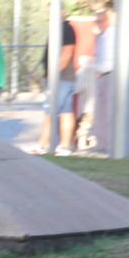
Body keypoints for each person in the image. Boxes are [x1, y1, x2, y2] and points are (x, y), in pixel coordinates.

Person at [31, 19, 77, 156]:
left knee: (50, 110)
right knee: (65, 111)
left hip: (61, 78)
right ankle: (64, 146)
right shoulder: (61, 28)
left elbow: (68, 51)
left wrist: (54, 74)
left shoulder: (65, 28)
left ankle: (43, 145)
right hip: (64, 78)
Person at [91, 9, 115, 154]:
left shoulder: (113, 35)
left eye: (100, 21)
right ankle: (101, 142)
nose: (98, 24)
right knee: (99, 110)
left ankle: (110, 143)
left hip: (110, 74)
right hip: (99, 76)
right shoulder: (99, 37)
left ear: (107, 20)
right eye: (97, 21)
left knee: (109, 110)